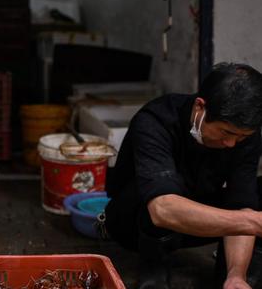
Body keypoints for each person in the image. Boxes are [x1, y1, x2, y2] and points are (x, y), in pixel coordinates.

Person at [105, 63, 262, 289]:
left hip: (193, 220)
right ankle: (153, 277)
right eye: (225, 132)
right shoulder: (154, 120)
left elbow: (242, 204)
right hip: (134, 224)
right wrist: (255, 222)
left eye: (241, 136)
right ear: (200, 107)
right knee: (164, 195)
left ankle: (234, 281)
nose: (231, 143)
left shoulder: (244, 136)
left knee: (257, 193)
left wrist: (236, 274)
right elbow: (162, 210)